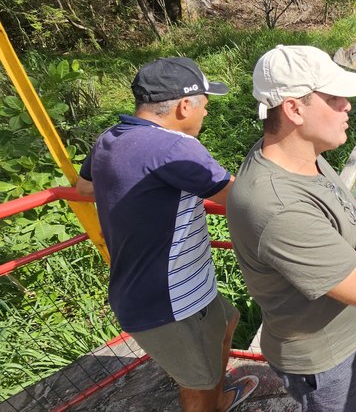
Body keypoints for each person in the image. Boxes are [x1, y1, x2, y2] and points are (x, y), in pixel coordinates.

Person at [226, 45, 356, 412]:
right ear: (294, 108)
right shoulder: (274, 204)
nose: (347, 105)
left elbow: (324, 209)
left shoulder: (304, 155)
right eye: (333, 98)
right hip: (324, 356)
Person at [76, 57, 258, 412]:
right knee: (197, 386)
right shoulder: (175, 148)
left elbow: (84, 187)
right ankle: (211, 402)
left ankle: (218, 400)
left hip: (163, 287)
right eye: (204, 106)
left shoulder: (111, 138)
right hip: (171, 301)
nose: (206, 114)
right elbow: (246, 197)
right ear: (184, 106)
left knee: (229, 320)